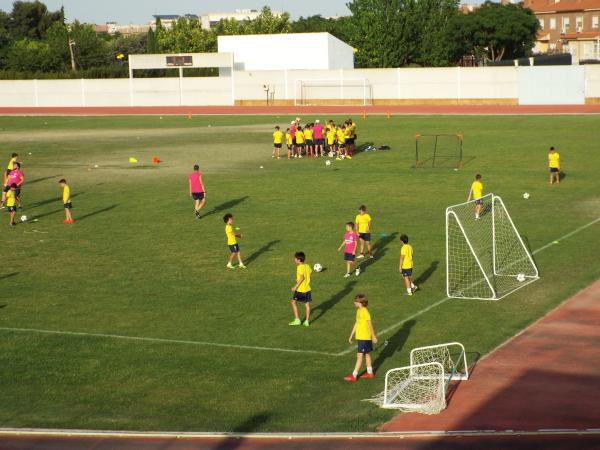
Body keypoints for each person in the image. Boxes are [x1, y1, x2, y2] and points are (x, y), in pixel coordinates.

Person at [345, 294, 377, 382]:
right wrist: (351, 335)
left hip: (364, 337)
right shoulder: (359, 311)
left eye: (355, 301)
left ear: (359, 302)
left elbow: (369, 324)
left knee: (359, 356)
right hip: (361, 337)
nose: (354, 303)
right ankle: (370, 373)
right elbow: (357, 323)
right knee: (367, 354)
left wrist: (373, 336)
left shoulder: (365, 312)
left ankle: (354, 375)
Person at [289, 251, 312, 327]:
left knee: (293, 302)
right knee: (307, 305)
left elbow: (302, 277)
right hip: (308, 289)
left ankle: (297, 320)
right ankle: (307, 321)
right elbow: (309, 274)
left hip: (300, 289)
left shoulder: (299, 267)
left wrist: (295, 286)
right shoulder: (307, 266)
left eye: (295, 258)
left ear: (299, 260)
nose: (294, 259)